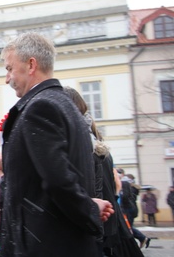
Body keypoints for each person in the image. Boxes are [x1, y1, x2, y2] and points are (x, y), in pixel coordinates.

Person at [0, 32, 113, 256]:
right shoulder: (64, 104)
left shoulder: (40, 108)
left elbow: (59, 180)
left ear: (31, 65)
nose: (7, 78)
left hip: (45, 244)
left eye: (9, 68)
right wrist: (8, 160)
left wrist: (89, 209)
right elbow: (46, 170)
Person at [64, 86, 143, 257]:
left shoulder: (82, 144)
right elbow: (114, 185)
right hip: (110, 224)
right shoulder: (95, 140)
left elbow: (95, 190)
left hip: (100, 227)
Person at [118, 169, 150, 248]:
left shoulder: (126, 185)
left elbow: (125, 197)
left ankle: (140, 239)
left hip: (127, 209)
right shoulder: (132, 187)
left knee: (127, 227)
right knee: (128, 227)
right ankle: (140, 240)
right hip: (130, 208)